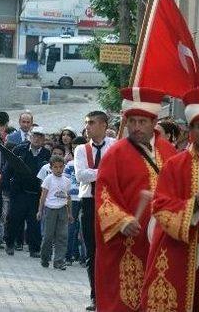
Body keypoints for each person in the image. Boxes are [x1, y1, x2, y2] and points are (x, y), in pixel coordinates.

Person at [94, 87, 177, 312]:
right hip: (128, 242)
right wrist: (122, 220)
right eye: (132, 121)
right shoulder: (115, 154)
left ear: (154, 121)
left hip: (162, 241)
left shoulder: (170, 153)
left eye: (142, 121)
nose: (137, 127)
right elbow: (104, 195)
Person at [141, 87, 199, 311]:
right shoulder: (175, 166)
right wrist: (193, 206)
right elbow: (160, 204)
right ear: (191, 131)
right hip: (180, 249)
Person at [74, 110, 116, 311]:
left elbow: (119, 173)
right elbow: (81, 175)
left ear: (103, 126)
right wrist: (105, 171)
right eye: (86, 122)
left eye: (91, 122)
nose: (87, 126)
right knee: (92, 251)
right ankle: (96, 297)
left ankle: (111, 295)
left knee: (110, 250)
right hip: (89, 202)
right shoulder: (81, 149)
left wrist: (98, 173)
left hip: (111, 203)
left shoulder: (115, 146)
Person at [5, 126, 51, 257]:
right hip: (19, 191)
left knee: (34, 222)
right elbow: (9, 168)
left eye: (40, 136)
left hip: (36, 193)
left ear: (43, 139)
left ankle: (34, 249)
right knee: (14, 218)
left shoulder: (47, 154)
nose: (37, 138)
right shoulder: (20, 149)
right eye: (35, 136)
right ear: (31, 137)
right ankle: (10, 243)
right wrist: (7, 187)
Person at [37, 155, 72, 270]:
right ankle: (45, 257)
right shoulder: (48, 179)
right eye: (55, 167)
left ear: (64, 167)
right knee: (48, 236)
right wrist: (40, 211)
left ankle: (59, 261)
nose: (58, 169)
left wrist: (70, 213)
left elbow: (69, 198)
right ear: (51, 168)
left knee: (62, 236)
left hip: (62, 209)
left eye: (60, 167)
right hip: (50, 209)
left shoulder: (66, 181)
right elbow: (43, 196)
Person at [65, 136, 87, 265]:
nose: (76, 150)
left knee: (83, 228)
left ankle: (83, 257)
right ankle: (70, 255)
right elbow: (66, 181)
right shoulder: (69, 164)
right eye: (74, 148)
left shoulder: (87, 162)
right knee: (71, 227)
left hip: (84, 196)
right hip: (73, 198)